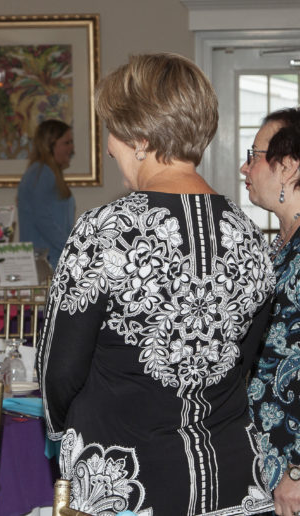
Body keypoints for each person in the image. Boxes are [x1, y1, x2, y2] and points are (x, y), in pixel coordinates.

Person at [37, 53, 276, 515]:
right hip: (231, 476)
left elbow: (60, 372)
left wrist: (68, 434)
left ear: (140, 138)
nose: (110, 148)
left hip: (124, 479)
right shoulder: (250, 235)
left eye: (113, 131)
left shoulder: (103, 231)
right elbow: (242, 362)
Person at [243, 108, 300, 516]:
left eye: (255, 155)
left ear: (289, 166)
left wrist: (297, 470)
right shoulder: (277, 246)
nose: (245, 167)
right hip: (265, 454)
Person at [17, 119, 75, 270]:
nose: (71, 148)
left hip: (51, 260)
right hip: (46, 263)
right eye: (66, 143)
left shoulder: (45, 172)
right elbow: (43, 219)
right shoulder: (42, 173)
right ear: (50, 145)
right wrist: (72, 249)